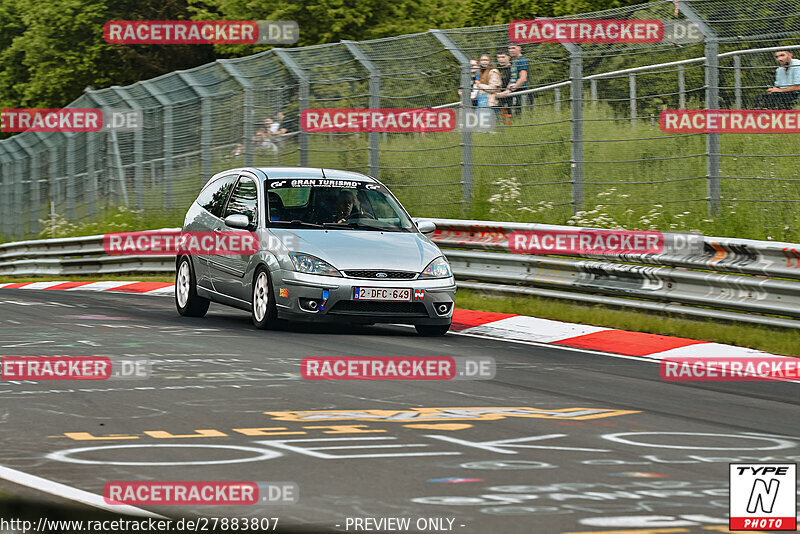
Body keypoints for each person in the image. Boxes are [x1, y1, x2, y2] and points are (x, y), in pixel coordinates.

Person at [498, 44, 530, 116]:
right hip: (513, 90)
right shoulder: (514, 61)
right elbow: (513, 78)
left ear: (519, 48)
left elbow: (523, 78)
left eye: (513, 48)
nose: (511, 50)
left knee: (518, 114)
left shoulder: (522, 60)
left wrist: (510, 90)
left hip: (520, 90)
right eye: (509, 48)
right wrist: (507, 90)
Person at [495, 50, 513, 124]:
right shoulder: (503, 70)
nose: (500, 59)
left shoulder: (512, 68)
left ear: (508, 57)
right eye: (498, 57)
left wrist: (507, 91)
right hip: (502, 98)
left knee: (510, 118)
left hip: (510, 97)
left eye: (503, 57)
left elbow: (513, 81)